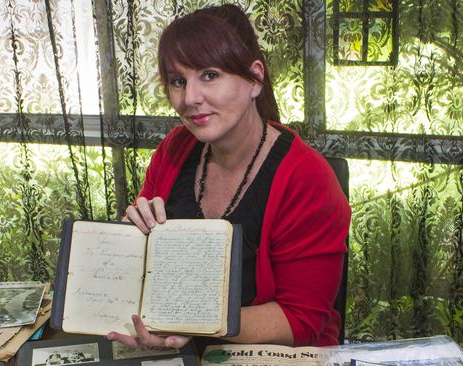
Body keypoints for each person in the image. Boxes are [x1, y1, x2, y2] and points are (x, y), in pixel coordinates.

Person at [107, 4, 351, 351]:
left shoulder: (308, 178)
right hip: (182, 349)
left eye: (209, 75)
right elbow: (148, 271)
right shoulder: (175, 148)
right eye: (178, 81)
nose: (190, 98)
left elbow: (302, 320)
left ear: (254, 79)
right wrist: (136, 235)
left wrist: (195, 322)